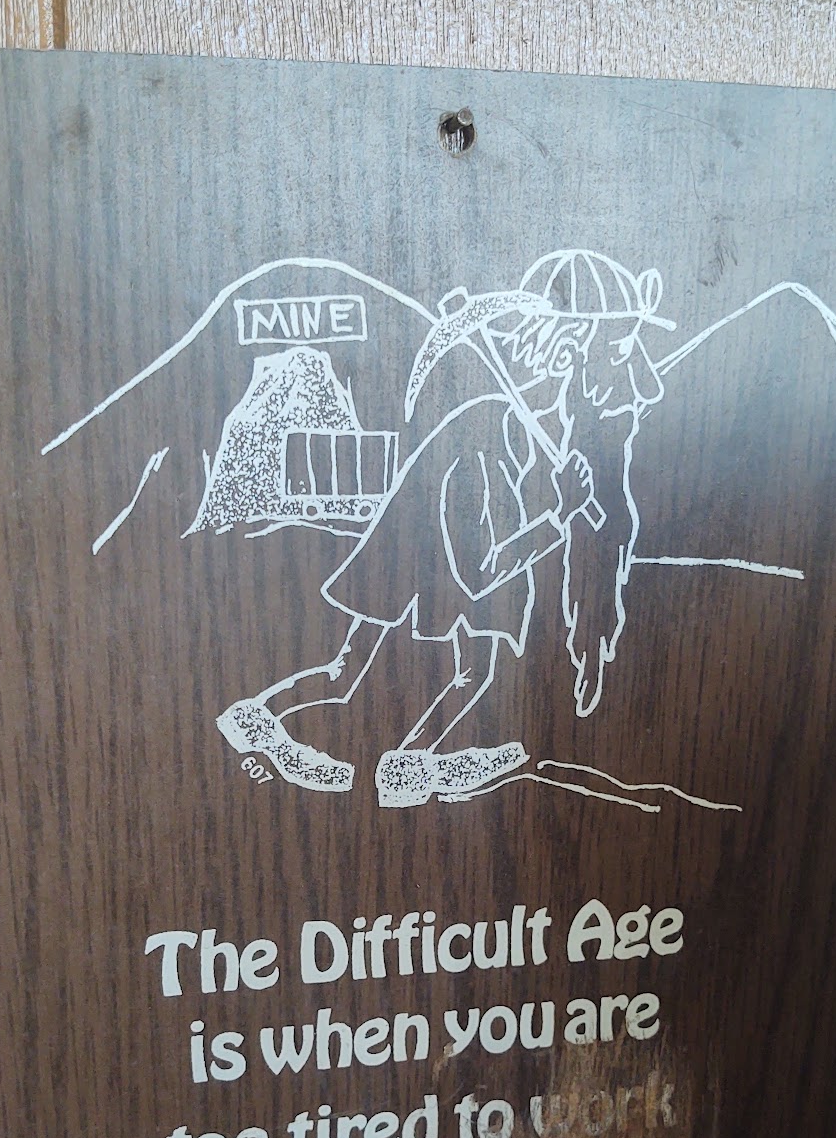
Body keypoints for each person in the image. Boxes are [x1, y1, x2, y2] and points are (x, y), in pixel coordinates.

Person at [216, 249, 671, 807]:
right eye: (620, 349)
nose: (642, 382)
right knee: (349, 672)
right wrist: (559, 513)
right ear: (568, 348)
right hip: (419, 566)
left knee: (470, 672)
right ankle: (260, 722)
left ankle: (407, 766)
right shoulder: (483, 440)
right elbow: (479, 572)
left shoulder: (535, 433)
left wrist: (561, 505)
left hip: (454, 566)